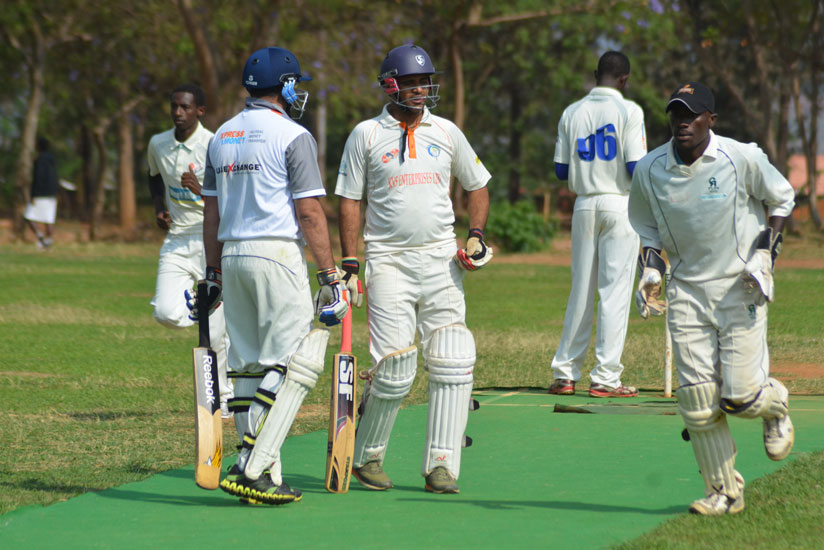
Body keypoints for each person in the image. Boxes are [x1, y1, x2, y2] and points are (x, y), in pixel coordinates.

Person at [628, 81, 795, 515]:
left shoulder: (740, 157)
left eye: (692, 115)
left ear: (711, 120)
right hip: (686, 291)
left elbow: (782, 197)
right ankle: (724, 491)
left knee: (740, 398)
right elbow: (647, 227)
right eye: (676, 114)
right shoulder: (649, 169)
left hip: (739, 287)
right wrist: (651, 269)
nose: (683, 122)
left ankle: (775, 403)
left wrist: (765, 253)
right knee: (698, 401)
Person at [335, 44, 492, 494]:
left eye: (425, 81)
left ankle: (442, 465)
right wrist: (351, 262)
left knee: (453, 359)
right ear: (390, 85)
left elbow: (477, 185)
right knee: (394, 369)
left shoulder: (446, 131)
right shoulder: (365, 134)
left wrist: (475, 235)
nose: (421, 89)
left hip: (442, 260)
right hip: (387, 262)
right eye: (411, 82)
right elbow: (349, 200)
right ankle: (366, 457)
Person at [201, 46, 348, 505]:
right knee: (298, 363)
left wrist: (213, 272)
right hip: (277, 254)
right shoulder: (292, 134)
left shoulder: (220, 135)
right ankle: (250, 465)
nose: (298, 91)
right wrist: (329, 274)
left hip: (234, 253)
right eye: (295, 83)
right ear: (284, 86)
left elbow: (211, 212)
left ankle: (261, 473)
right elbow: (309, 211)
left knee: (248, 367)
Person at [548, 51, 647, 398]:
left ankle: (565, 373)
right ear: (624, 80)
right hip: (620, 203)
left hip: (584, 204)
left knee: (581, 290)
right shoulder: (629, 111)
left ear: (596, 74)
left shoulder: (572, 111)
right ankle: (605, 377)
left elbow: (561, 171)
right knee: (614, 293)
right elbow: (636, 165)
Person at [146, 84, 234, 417]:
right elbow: (153, 176)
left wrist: (202, 189)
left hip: (212, 239)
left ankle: (224, 397)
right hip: (178, 240)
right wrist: (159, 208)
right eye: (174, 106)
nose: (177, 112)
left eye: (184, 107)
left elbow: (231, 192)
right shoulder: (158, 143)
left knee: (218, 331)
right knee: (166, 312)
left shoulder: (214, 144)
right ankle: (204, 314)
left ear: (200, 110)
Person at [24, 137, 60, 249]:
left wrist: (33, 194)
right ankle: (48, 241)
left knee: (28, 216)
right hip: (52, 193)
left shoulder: (39, 160)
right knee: (49, 219)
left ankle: (40, 237)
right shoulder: (53, 160)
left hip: (40, 193)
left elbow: (38, 178)